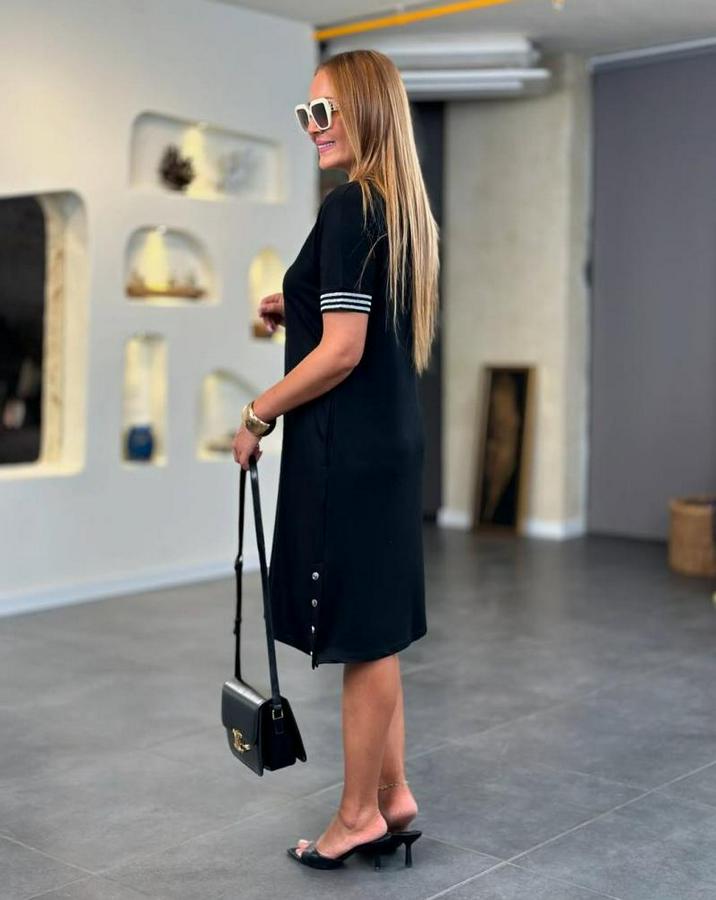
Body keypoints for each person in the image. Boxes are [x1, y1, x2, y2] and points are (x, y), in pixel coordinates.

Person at [232, 48, 440, 871]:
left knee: (361, 634)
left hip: (348, 451)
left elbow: (345, 351)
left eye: (325, 112)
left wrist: (258, 412)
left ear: (367, 113)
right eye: (306, 114)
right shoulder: (397, 208)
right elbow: (360, 322)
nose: (313, 127)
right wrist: (300, 303)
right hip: (388, 444)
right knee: (375, 632)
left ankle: (355, 817)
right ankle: (393, 795)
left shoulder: (352, 204)